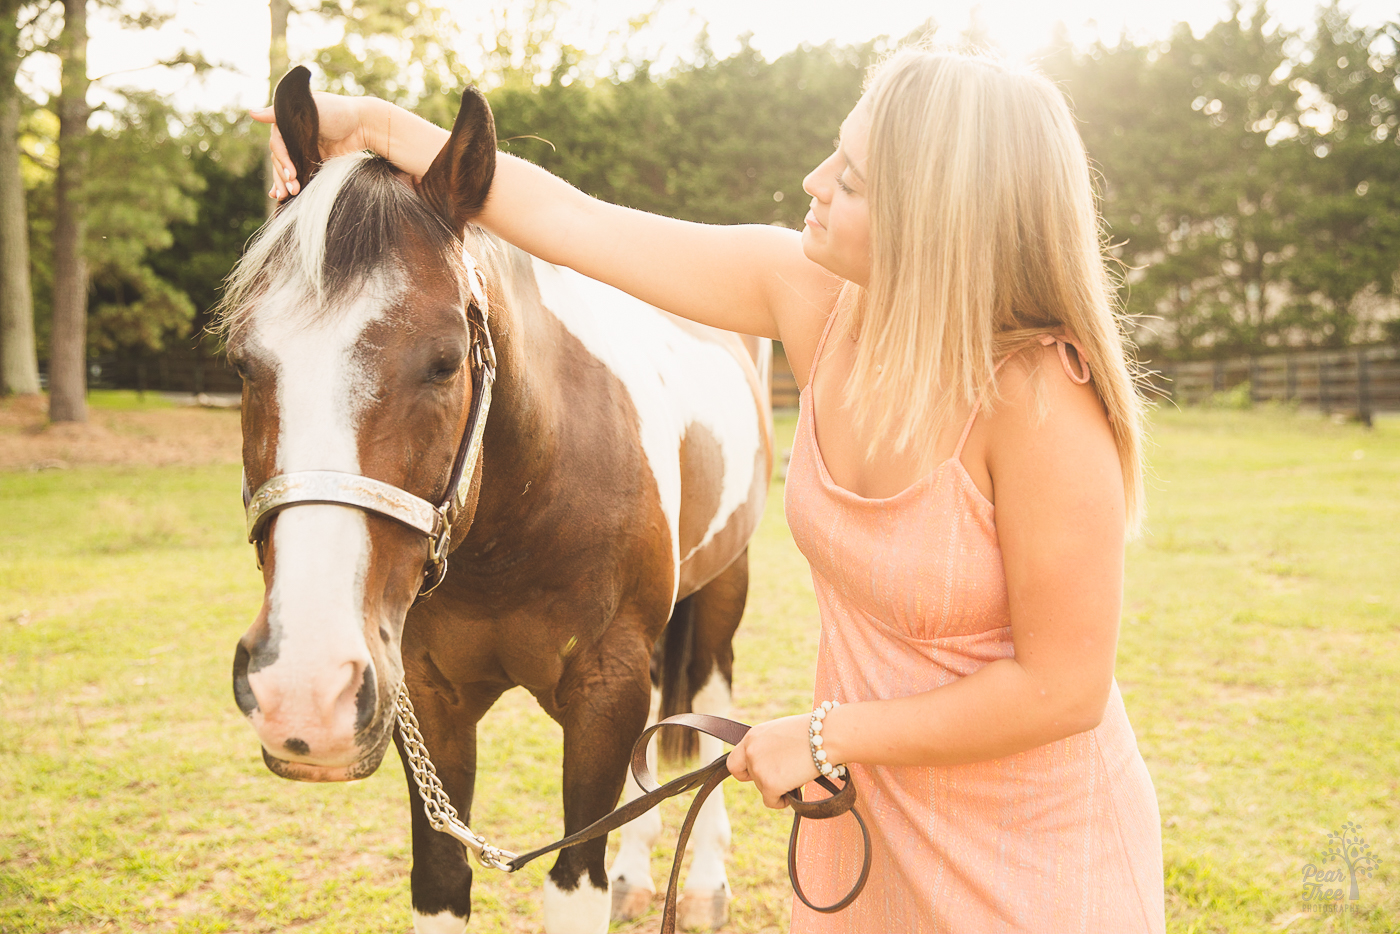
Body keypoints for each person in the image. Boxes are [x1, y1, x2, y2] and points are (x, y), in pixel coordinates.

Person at [258, 45, 1165, 933]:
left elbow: (1062, 690)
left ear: (940, 219)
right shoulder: (814, 302)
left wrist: (828, 737)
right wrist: (372, 124)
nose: (813, 180)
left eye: (849, 179)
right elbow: (579, 223)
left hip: (1029, 854)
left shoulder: (1044, 401)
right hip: (871, 833)